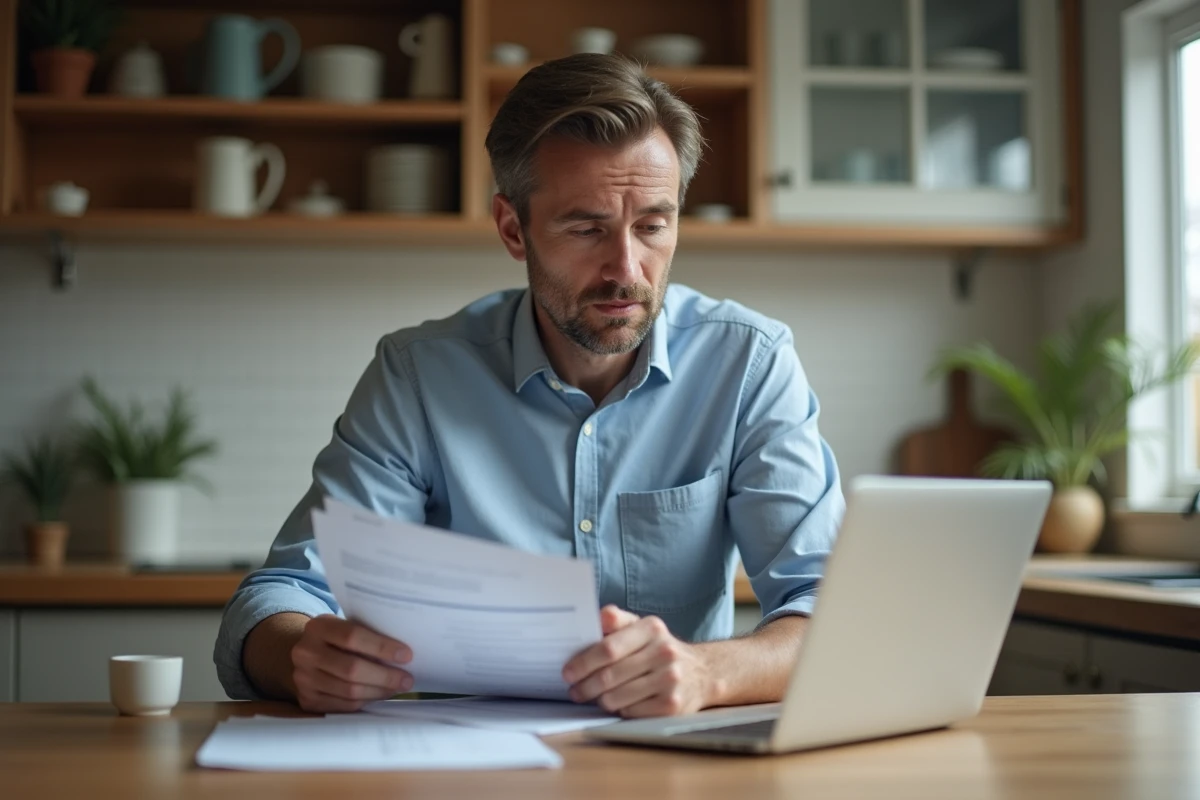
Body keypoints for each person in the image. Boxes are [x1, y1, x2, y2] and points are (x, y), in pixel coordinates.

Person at [214, 53, 844, 719]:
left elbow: (832, 610)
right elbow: (282, 594)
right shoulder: (420, 376)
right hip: (465, 766)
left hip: (675, 762)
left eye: (653, 225)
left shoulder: (747, 364)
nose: (626, 269)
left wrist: (709, 672)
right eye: (586, 227)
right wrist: (300, 656)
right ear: (514, 229)